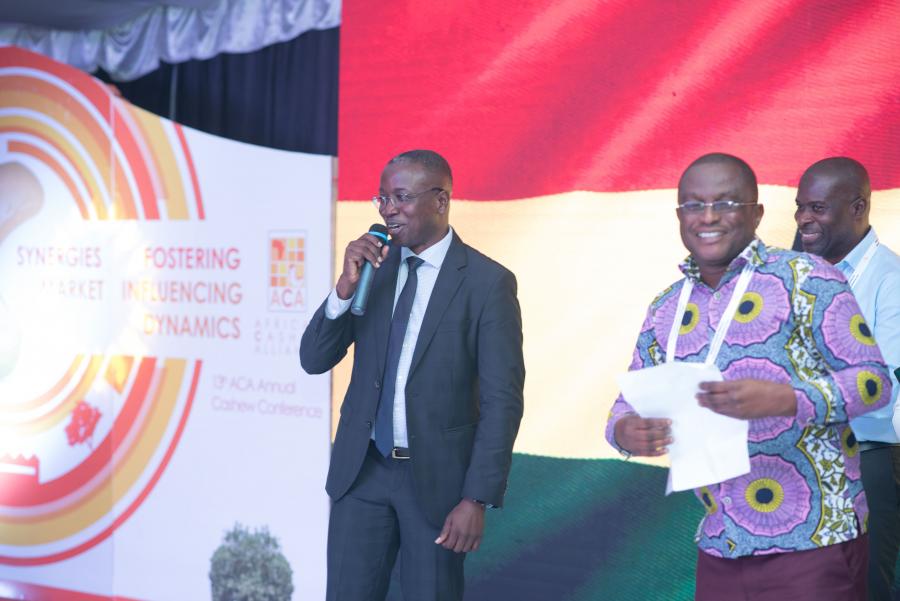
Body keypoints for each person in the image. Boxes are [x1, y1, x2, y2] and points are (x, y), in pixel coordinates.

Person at [605, 153, 893, 601]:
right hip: (721, 540)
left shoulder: (808, 278)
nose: (708, 217)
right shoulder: (667, 307)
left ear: (756, 214)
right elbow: (627, 404)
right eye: (694, 205)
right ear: (680, 216)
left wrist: (788, 399)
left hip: (814, 540)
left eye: (725, 203)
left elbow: (874, 383)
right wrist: (626, 431)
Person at [300, 149, 525, 601]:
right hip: (362, 471)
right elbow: (314, 358)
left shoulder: (487, 283)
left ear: (441, 201)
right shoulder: (374, 270)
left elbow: (502, 400)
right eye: (382, 198)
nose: (388, 210)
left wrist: (476, 498)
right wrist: (345, 287)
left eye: (401, 197)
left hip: (438, 484)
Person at [795, 156, 900, 601]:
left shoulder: (891, 280)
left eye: (817, 208)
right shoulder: (797, 274)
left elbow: (884, 391)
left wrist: (794, 394)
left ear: (858, 208)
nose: (803, 219)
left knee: (860, 589)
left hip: (867, 458)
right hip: (800, 461)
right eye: (800, 207)